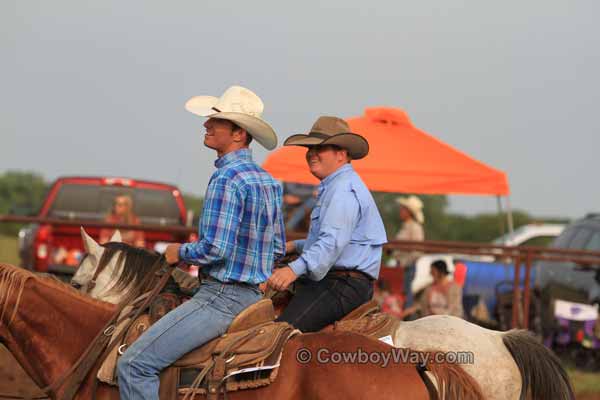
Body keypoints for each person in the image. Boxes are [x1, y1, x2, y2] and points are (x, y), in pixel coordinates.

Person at [117, 85, 285, 400]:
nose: (206, 125)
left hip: (220, 299)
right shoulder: (268, 181)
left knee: (134, 365)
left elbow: (215, 249)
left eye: (216, 121)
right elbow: (276, 248)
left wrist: (176, 252)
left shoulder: (226, 179)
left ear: (238, 133)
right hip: (254, 300)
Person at [267, 116, 387, 332]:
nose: (311, 153)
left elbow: (331, 243)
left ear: (341, 154)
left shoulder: (341, 191)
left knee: (278, 334)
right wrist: (296, 246)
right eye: (309, 148)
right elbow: (340, 241)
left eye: (320, 148)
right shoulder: (338, 186)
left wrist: (292, 270)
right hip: (338, 280)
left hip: (339, 285)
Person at [393, 195, 425, 308]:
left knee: (405, 291)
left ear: (409, 212)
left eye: (403, 209)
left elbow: (417, 250)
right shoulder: (406, 226)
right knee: (401, 290)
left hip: (407, 266)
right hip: (402, 265)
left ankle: (407, 313)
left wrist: (406, 262)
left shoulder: (414, 227)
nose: (401, 211)